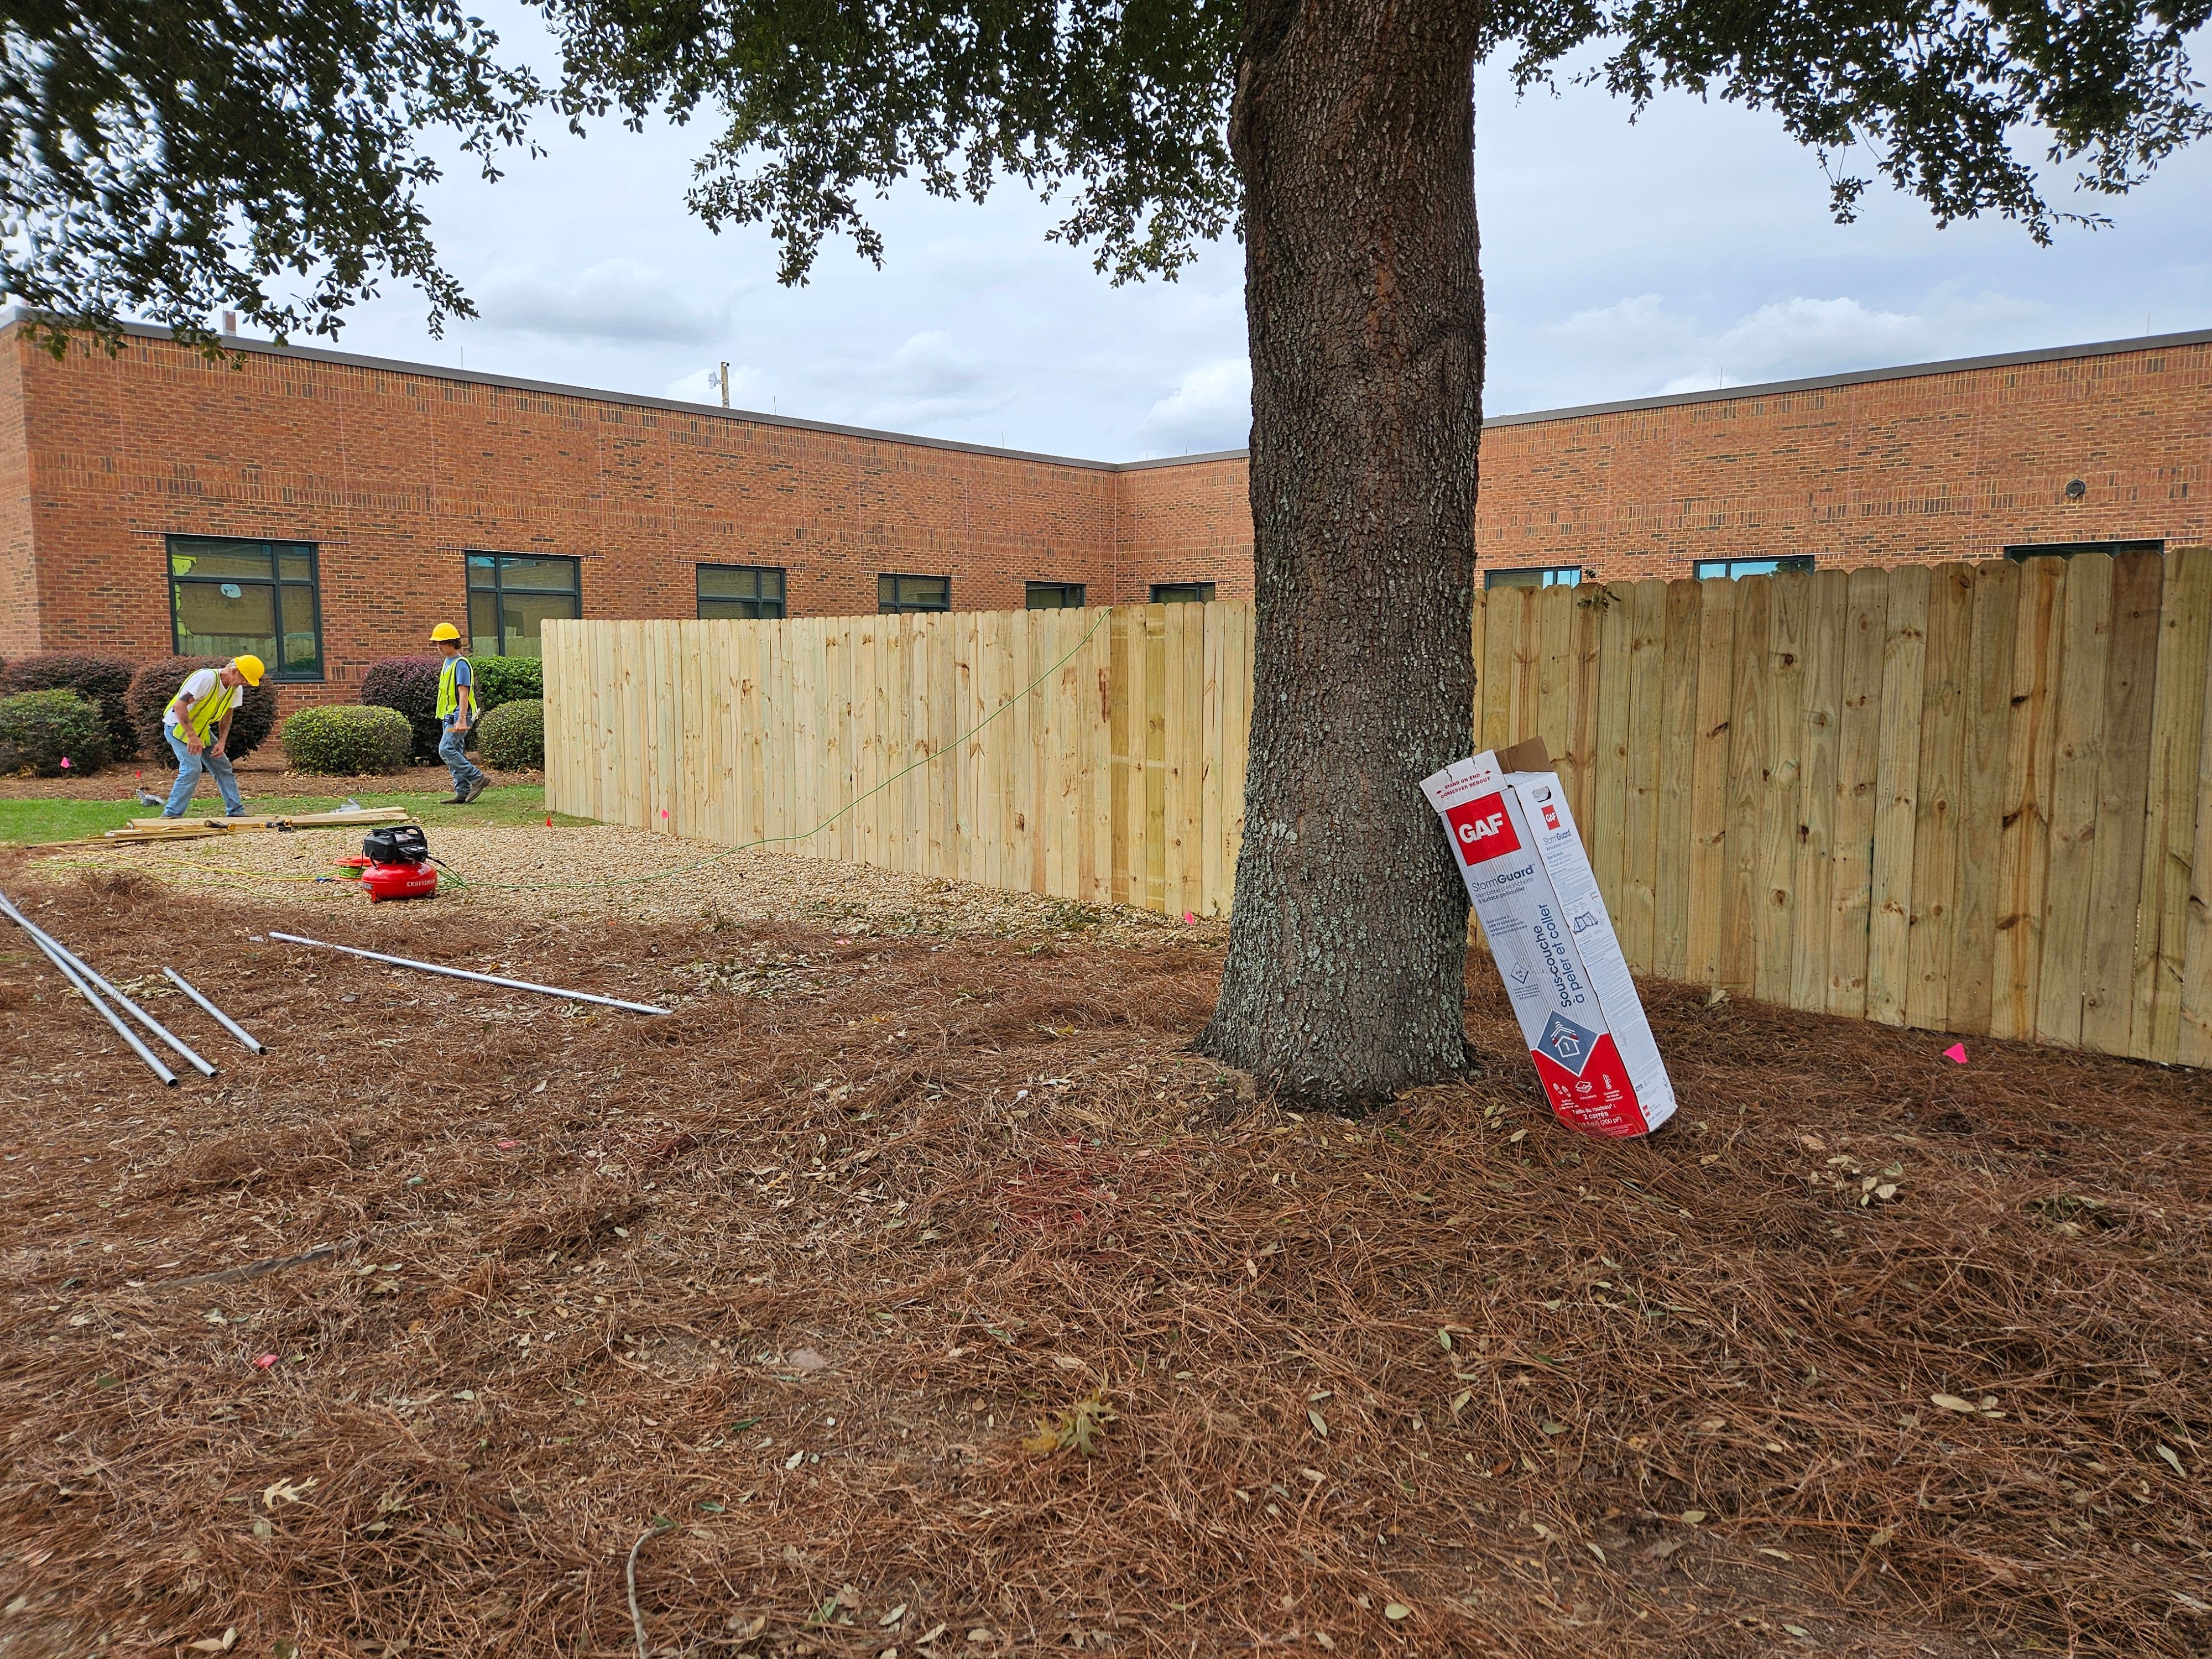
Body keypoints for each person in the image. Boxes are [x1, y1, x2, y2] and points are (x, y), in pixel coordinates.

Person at [161, 655, 263, 818]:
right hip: (178, 727)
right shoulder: (206, 679)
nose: (247, 683)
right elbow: (180, 705)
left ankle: (236, 811)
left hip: (201, 730)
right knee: (192, 769)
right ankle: (171, 815)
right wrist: (192, 737)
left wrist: (222, 742)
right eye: (245, 679)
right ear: (234, 671)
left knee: (223, 767)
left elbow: (227, 715)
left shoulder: (236, 689)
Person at [432, 623, 489, 804]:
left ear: (451, 643)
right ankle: (462, 792)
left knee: (446, 749)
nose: (438, 647)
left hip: (460, 716)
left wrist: (462, 719)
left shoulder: (461, 664)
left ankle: (478, 778)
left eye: (441, 643)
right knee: (455, 750)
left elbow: (464, 692)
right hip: (449, 716)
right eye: (437, 643)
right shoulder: (447, 663)